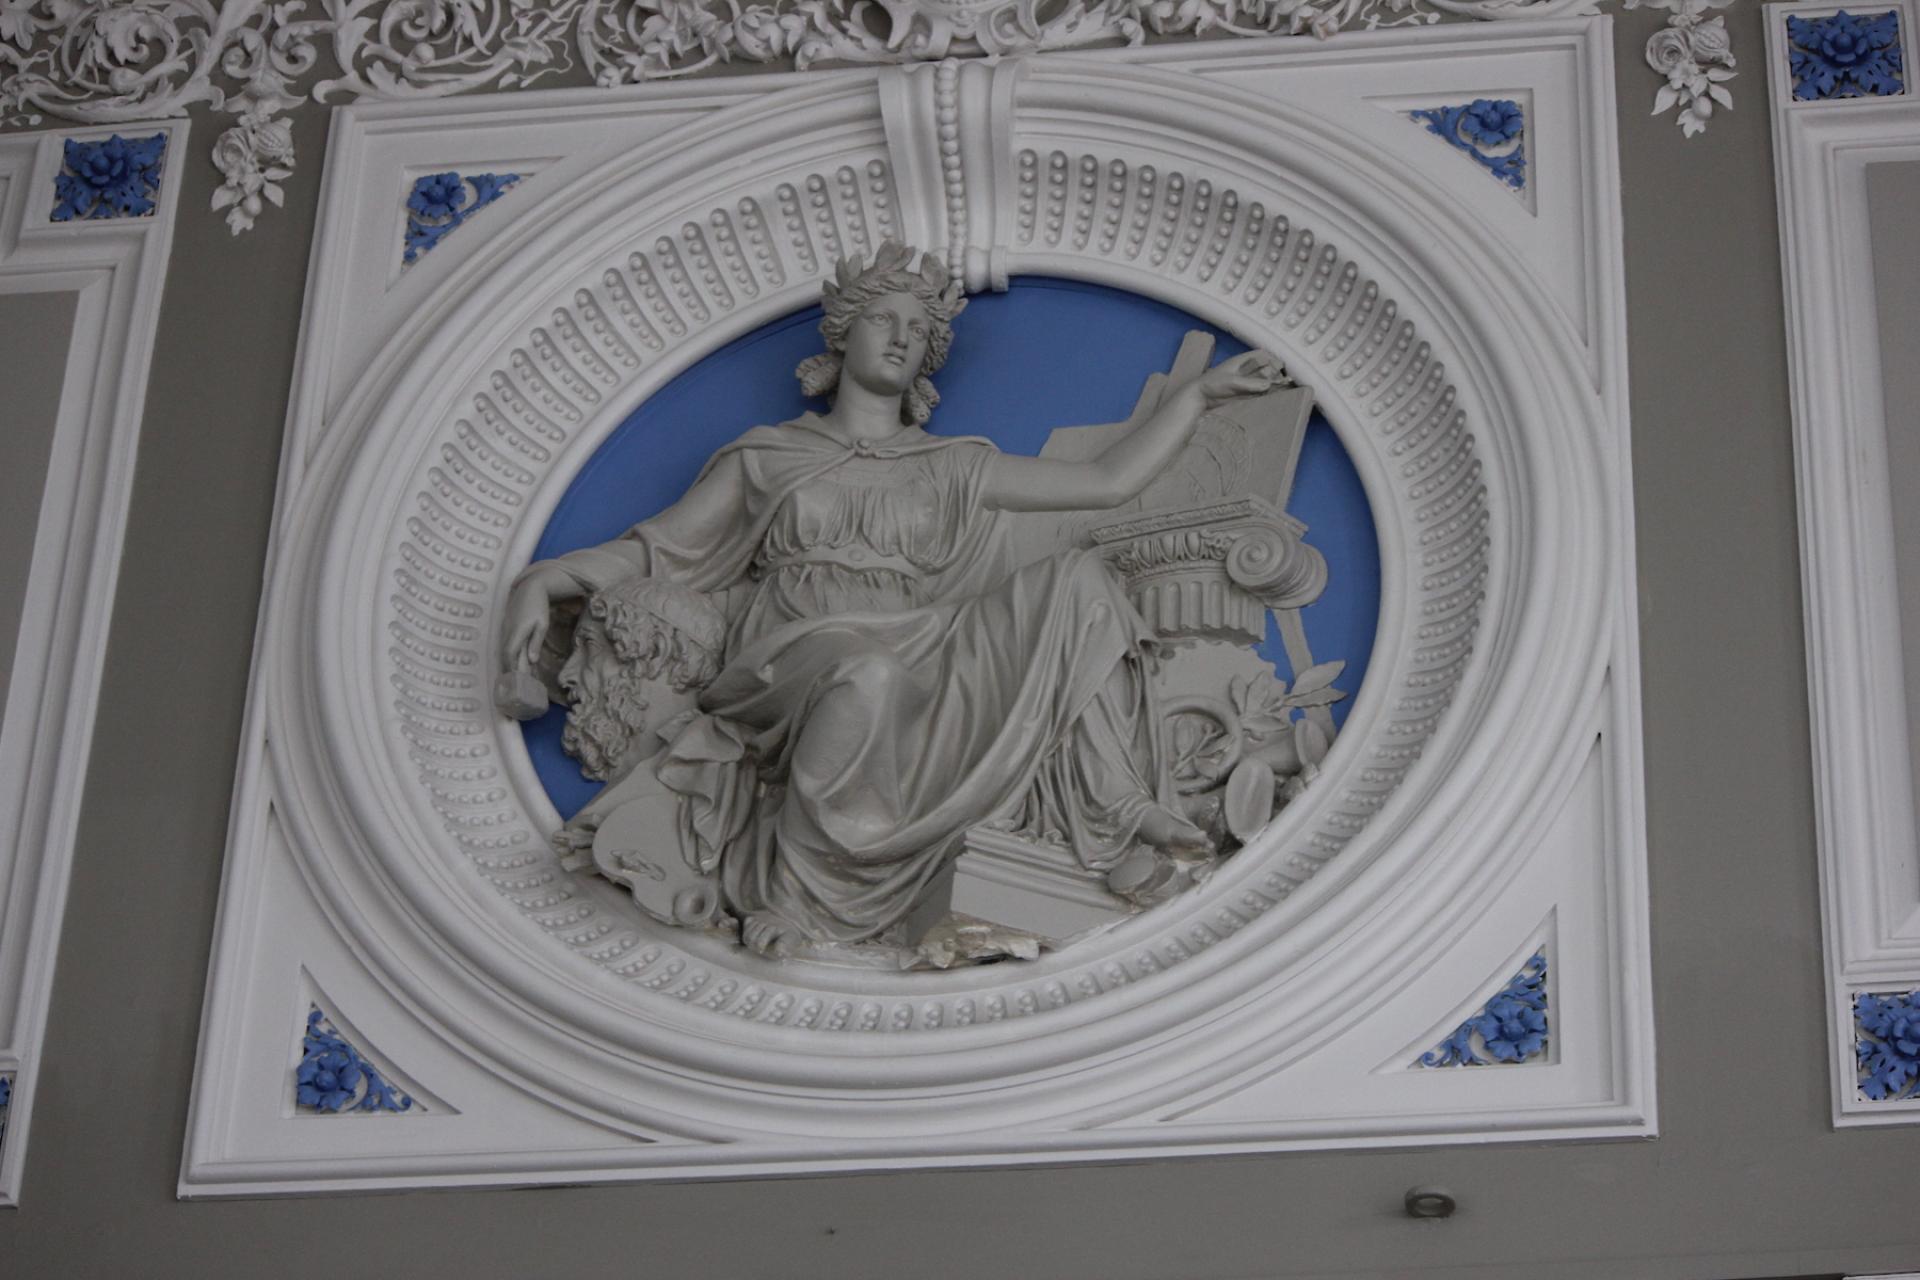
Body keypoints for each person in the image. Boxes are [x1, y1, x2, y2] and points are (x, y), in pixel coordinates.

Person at [499, 243, 1288, 957]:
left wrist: (1199, 398)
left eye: (919, 326)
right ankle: (795, 897)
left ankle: (1116, 803)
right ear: (843, 334)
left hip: (922, 639)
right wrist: (547, 579)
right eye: (883, 316)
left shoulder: (950, 464)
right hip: (793, 653)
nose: (902, 335)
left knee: (1078, 583)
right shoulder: (769, 457)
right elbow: (656, 549)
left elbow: (1106, 483)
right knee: (864, 674)